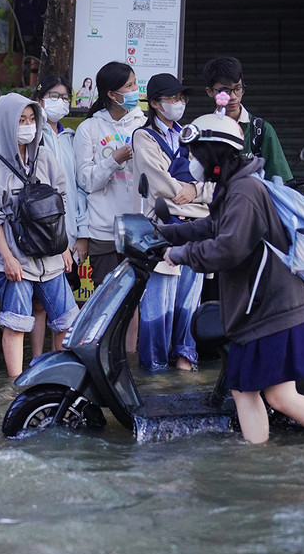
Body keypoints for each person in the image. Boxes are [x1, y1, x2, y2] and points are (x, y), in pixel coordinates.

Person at [160, 114, 304, 445]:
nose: (192, 161)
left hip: (271, 308)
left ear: (214, 152)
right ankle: (258, 459)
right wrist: (165, 233)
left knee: (279, 396)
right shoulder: (235, 186)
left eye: (196, 153)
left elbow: (229, 247)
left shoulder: (244, 190)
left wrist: (179, 254)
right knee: (247, 390)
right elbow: (213, 227)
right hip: (264, 307)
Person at [0, 94, 79, 379]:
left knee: (66, 319)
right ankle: (15, 386)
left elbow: (60, 202)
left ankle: (59, 378)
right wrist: (7, 259)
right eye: (21, 120)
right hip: (14, 257)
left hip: (49, 255)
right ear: (8, 123)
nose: (28, 125)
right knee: (16, 323)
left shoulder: (45, 157)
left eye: (32, 119)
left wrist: (64, 247)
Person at [132, 73, 209, 372]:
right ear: (154, 103)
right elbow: (161, 185)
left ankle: (185, 361)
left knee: (190, 300)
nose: (179, 103)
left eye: (181, 98)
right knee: (157, 305)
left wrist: (196, 190)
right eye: (172, 98)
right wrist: (192, 191)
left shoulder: (193, 135)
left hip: (199, 230)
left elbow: (215, 182)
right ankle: (154, 372)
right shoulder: (143, 136)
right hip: (162, 229)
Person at [75, 61, 145, 352]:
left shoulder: (144, 124)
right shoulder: (89, 128)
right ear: (112, 94)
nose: (135, 91)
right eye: (129, 86)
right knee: (104, 300)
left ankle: (128, 360)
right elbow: (86, 180)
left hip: (138, 228)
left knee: (134, 301)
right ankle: (102, 354)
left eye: (134, 84)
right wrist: (114, 159)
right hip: (103, 230)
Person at [31, 76, 88, 359]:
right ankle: (37, 360)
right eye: (54, 96)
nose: (60, 102)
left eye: (66, 97)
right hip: (41, 235)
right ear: (39, 99)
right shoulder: (32, 138)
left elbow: (79, 188)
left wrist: (82, 233)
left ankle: (60, 362)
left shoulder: (71, 139)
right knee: (40, 305)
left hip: (71, 233)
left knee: (63, 305)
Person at [202, 56, 292, 183]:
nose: (233, 97)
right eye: (224, 91)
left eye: (237, 89)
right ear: (210, 91)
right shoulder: (201, 131)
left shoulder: (261, 130)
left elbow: (280, 181)